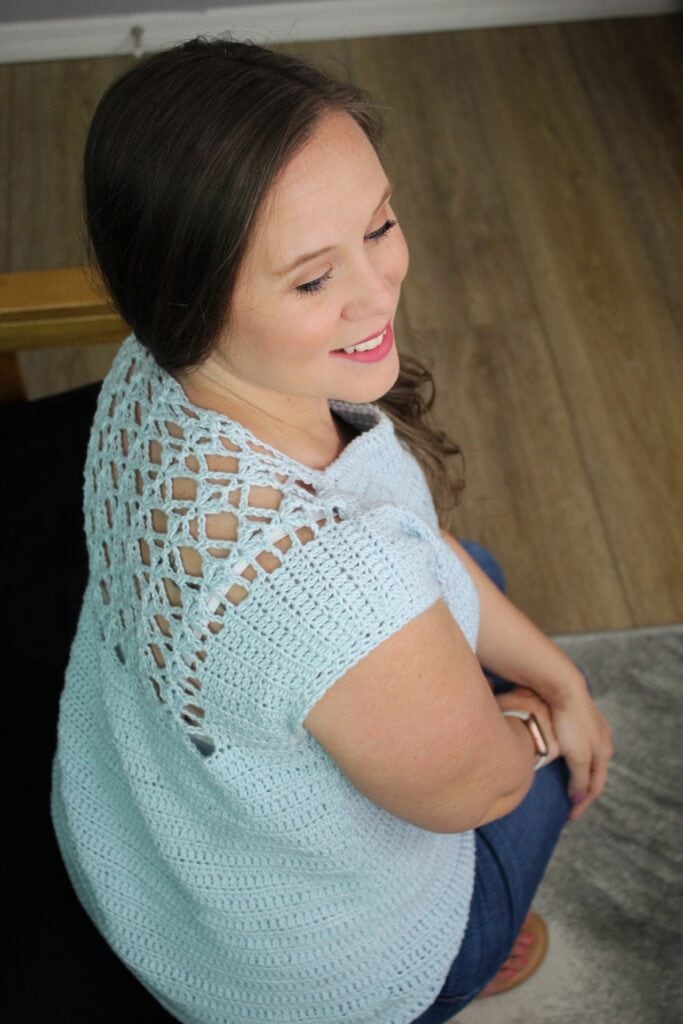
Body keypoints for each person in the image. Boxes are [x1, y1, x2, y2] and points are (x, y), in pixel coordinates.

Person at [50, 35, 613, 1024]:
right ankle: (473, 950)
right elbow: (473, 789)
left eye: (380, 223)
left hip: (134, 841)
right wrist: (547, 709)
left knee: (470, 573)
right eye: (311, 280)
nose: (378, 287)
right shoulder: (336, 590)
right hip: (312, 978)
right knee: (558, 747)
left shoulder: (150, 370)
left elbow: (395, 551)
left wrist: (546, 669)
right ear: (187, 291)